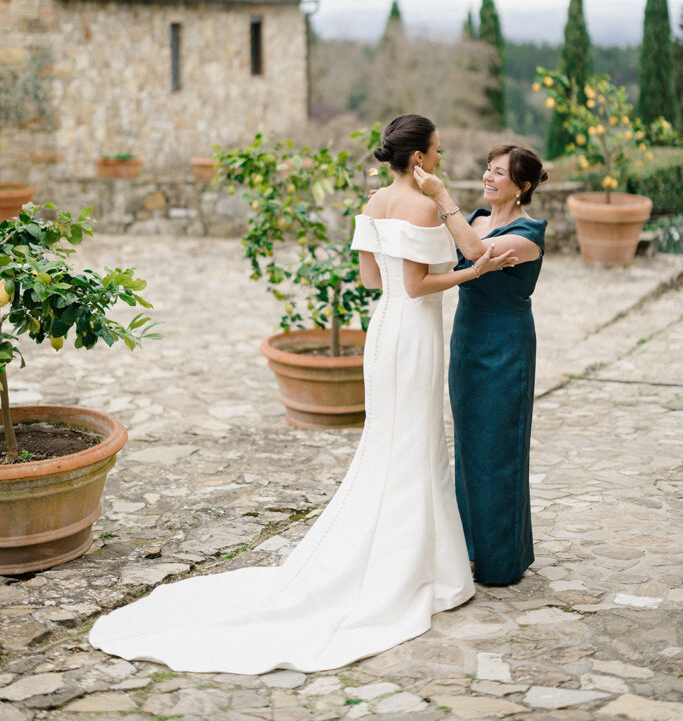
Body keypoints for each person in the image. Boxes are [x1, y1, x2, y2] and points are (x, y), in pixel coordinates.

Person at [89, 114, 516, 674]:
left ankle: (416, 559)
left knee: (394, 437)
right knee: (415, 439)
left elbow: (372, 281)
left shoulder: (371, 204)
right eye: (435, 153)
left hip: (383, 331)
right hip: (414, 330)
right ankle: (421, 569)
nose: (439, 161)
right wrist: (474, 272)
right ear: (418, 158)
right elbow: (420, 284)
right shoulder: (421, 206)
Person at [414, 143, 548, 585]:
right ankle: (468, 550)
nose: (489, 178)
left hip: (507, 345)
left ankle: (501, 560)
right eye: (488, 169)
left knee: (500, 449)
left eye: (500, 173)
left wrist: (439, 193)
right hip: (467, 339)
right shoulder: (474, 219)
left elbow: (473, 251)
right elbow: (459, 255)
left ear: (521, 186)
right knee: (470, 448)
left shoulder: (529, 233)